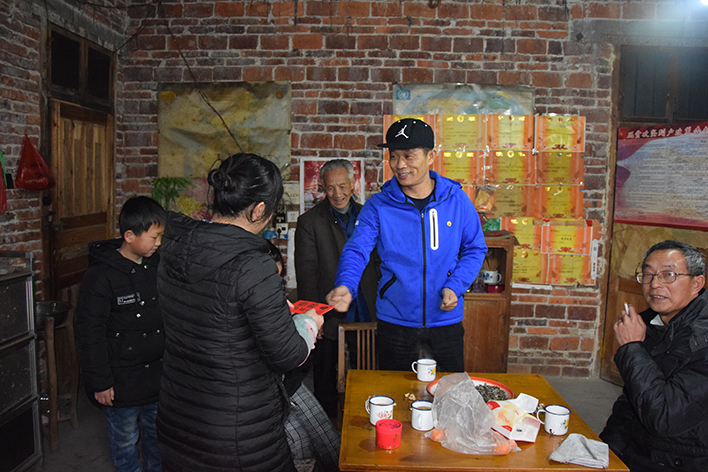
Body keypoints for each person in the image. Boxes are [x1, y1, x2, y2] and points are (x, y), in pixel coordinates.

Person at [156, 153, 324, 472]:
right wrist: (308, 323)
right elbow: (287, 354)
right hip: (237, 431)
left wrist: (273, 313)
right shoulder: (254, 265)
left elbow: (215, 318)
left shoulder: (174, 249)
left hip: (178, 417)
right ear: (259, 210)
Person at [326, 118, 487, 372]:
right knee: (394, 390)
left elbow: (475, 248)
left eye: (409, 156)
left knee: (449, 389)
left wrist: (455, 286)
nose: (400, 165)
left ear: (430, 156)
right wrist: (346, 284)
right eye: (394, 156)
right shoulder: (378, 206)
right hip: (395, 321)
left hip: (445, 321)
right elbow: (357, 250)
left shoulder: (456, 200)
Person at [75, 196, 166, 472]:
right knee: (125, 440)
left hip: (156, 378)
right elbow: (89, 333)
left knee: (157, 437)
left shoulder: (156, 266)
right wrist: (100, 383)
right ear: (129, 235)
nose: (158, 243)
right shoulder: (101, 277)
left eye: (161, 236)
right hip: (119, 382)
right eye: (154, 237)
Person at [600, 240, 708, 471]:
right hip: (642, 449)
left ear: (697, 283)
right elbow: (632, 401)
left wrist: (632, 348)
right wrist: (605, 452)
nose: (654, 284)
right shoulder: (649, 322)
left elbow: (664, 417)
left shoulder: (702, 339)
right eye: (648, 275)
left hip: (684, 459)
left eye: (669, 275)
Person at [295, 159, 379, 419]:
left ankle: (363, 416)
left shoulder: (369, 215)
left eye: (342, 186)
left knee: (365, 367)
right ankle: (327, 423)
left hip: (364, 304)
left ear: (353, 184)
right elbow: (307, 272)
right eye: (330, 187)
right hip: (327, 306)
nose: (337, 193)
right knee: (324, 372)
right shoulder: (310, 221)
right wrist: (312, 316)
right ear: (322, 187)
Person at [266, 241, 341, 472]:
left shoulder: (275, 300)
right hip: (271, 392)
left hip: (290, 383)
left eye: (277, 278)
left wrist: (303, 327)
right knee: (302, 445)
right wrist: (306, 326)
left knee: (330, 442)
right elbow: (285, 351)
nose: (272, 284)